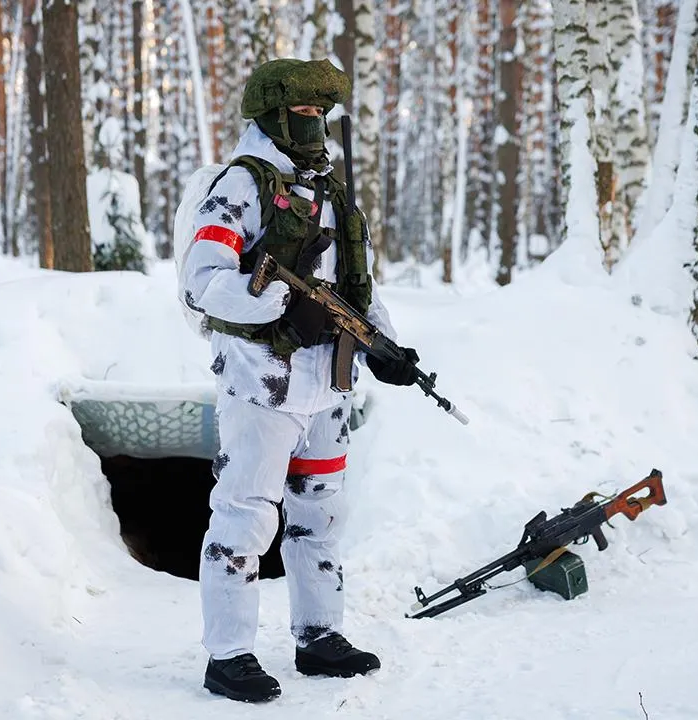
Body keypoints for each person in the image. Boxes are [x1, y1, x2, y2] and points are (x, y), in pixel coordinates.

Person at [179, 58, 420, 703]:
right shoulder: (242, 185)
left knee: (320, 515)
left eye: (322, 113)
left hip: (327, 384)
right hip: (262, 381)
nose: (315, 124)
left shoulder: (333, 193)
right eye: (303, 112)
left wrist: (386, 347)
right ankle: (229, 655)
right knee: (246, 515)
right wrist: (277, 305)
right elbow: (204, 281)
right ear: (273, 116)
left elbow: (356, 287)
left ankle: (319, 637)